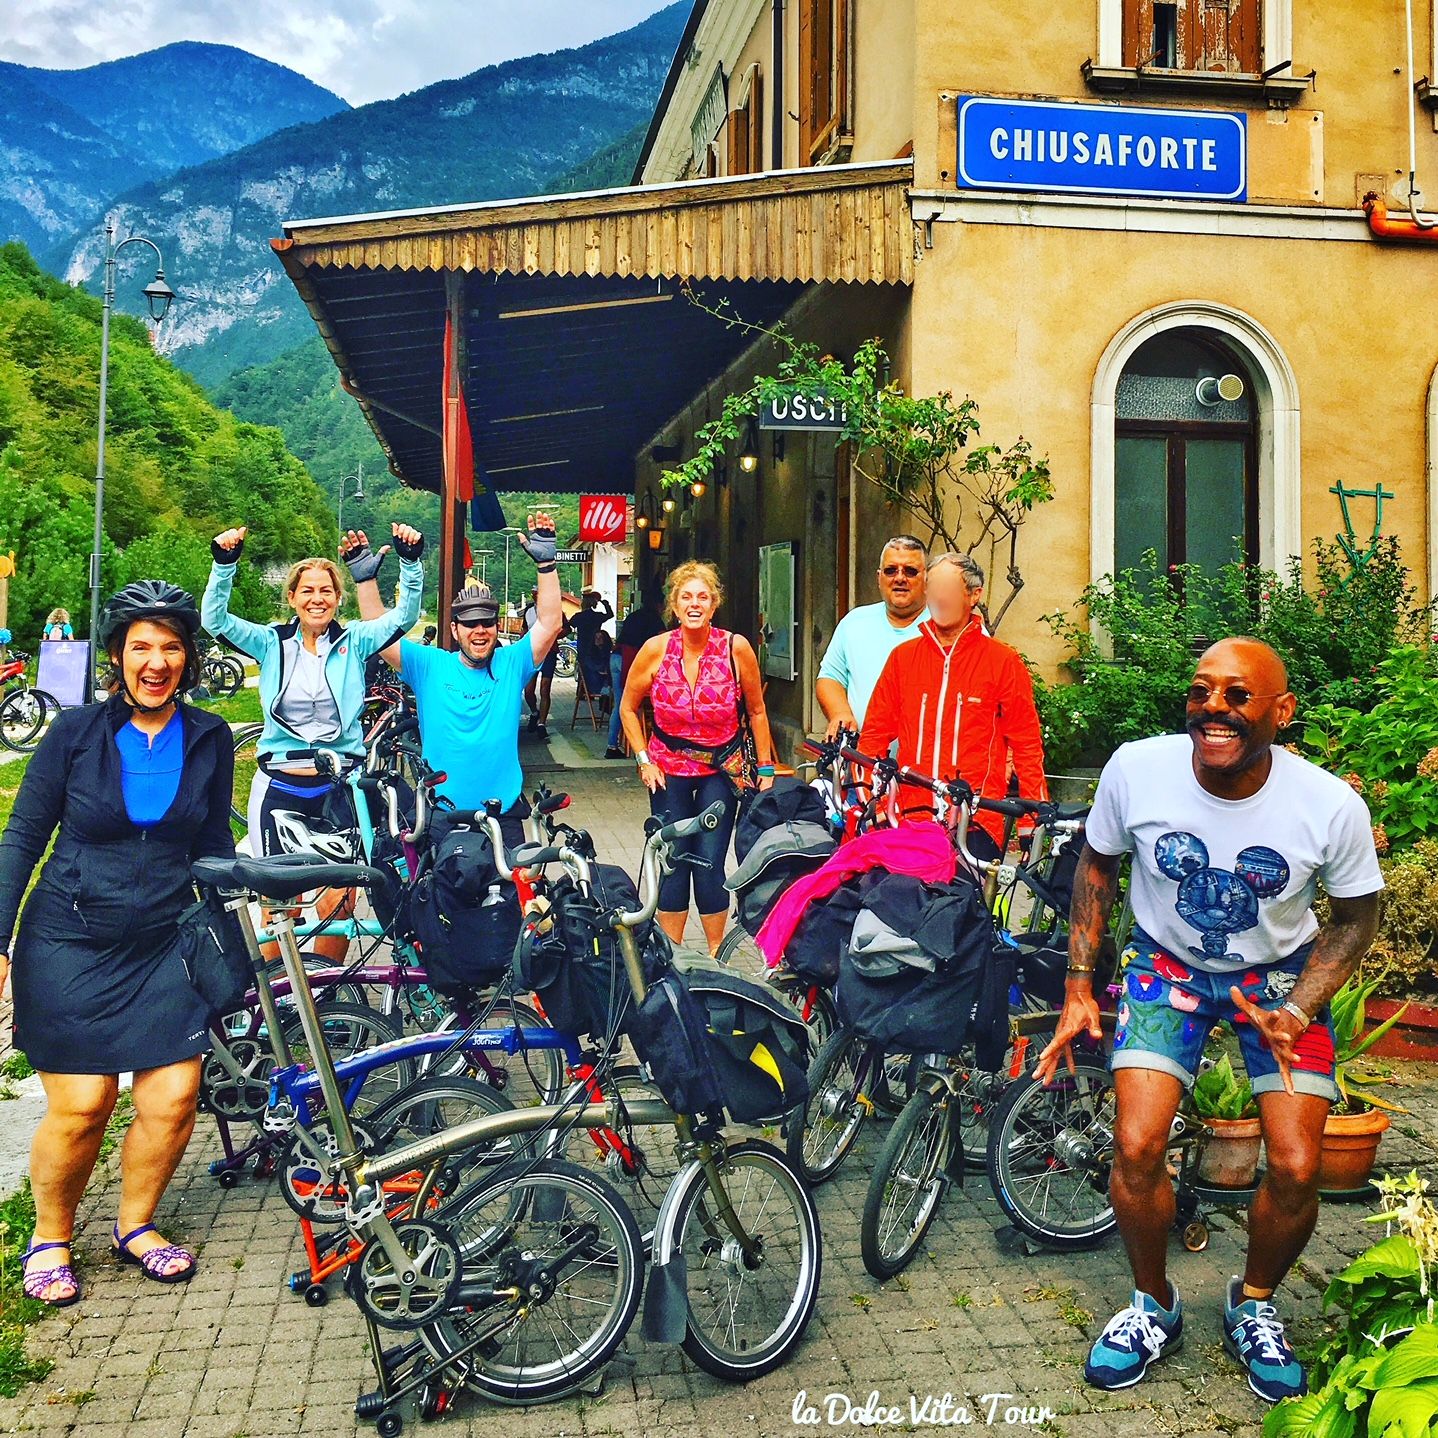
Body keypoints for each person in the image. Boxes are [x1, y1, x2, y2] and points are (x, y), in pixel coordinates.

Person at [1035, 637, 1383, 1403]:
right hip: (1166, 968)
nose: (1212, 709)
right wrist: (1080, 983)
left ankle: (1252, 1303)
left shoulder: (1329, 805)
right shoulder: (1137, 768)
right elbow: (1098, 863)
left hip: (1280, 980)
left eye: (1236, 695)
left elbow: (1358, 917)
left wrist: (1299, 1007)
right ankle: (1152, 1305)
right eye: (1201, 693)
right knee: (1135, 1143)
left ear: (1282, 712)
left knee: (1296, 1163)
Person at [0, 581, 235, 1304]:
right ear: (117, 656)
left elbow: (214, 842)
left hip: (163, 939)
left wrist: (237, 925)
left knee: (174, 1095)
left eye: (170, 646)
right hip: (68, 938)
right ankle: (51, 1236)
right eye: (141, 646)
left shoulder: (210, 738)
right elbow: (22, 836)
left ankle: (134, 1226)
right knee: (85, 1102)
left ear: (189, 658)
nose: (156, 661)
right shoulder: (74, 735)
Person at [203, 523, 423, 960]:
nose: (317, 598)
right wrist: (223, 565)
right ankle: (281, 1002)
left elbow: (405, 617)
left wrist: (410, 564)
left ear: (338, 599)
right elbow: (215, 620)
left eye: (326, 590)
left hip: (339, 789)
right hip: (279, 784)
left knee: (340, 896)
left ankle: (324, 992)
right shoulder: (271, 642)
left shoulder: (355, 641)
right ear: (292, 598)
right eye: (307, 590)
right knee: (277, 905)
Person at [355, 513, 562, 848]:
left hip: (504, 815)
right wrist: (365, 582)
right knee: (441, 899)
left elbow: (551, 623)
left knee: (512, 900)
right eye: (469, 624)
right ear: (454, 630)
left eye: (487, 622)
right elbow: (381, 636)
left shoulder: (512, 663)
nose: (479, 631)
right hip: (442, 816)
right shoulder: (430, 666)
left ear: (496, 627)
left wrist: (547, 565)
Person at [619, 560, 776, 954]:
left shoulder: (734, 648)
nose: (694, 604)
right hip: (667, 767)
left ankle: (714, 956)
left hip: (720, 768)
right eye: (686, 597)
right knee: (673, 862)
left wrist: (767, 767)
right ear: (674, 604)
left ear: (714, 603)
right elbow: (627, 707)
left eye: (702, 597)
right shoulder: (655, 650)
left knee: (707, 864)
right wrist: (643, 759)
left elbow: (756, 711)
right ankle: (673, 956)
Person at [858, 552, 1047, 857]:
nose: (939, 597)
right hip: (909, 819)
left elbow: (1027, 746)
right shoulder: (902, 658)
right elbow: (873, 738)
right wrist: (873, 802)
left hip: (975, 824)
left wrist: (1031, 823)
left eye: (949, 589)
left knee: (963, 903)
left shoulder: (1003, 662)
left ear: (974, 595)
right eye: (934, 588)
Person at [816, 535, 930, 737]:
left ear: (927, 579)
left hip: (929, 763)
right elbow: (829, 679)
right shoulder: (854, 623)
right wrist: (840, 714)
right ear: (879, 578)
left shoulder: (948, 626)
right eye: (891, 570)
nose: (900, 578)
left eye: (910, 571)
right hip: (862, 760)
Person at [606, 587, 667, 759]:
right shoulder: (655, 619)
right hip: (630, 659)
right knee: (631, 704)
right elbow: (664, 641)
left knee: (620, 703)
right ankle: (639, 745)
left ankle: (612, 745)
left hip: (616, 656)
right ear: (658, 604)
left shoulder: (633, 615)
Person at [522, 585, 568, 739]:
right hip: (531, 652)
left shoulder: (554, 611)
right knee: (528, 690)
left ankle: (542, 723)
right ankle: (535, 712)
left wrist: (554, 636)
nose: (536, 597)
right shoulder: (528, 611)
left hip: (549, 652)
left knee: (545, 687)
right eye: (534, 594)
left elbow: (567, 628)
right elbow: (524, 630)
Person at [570, 589, 613, 698]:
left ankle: (581, 692)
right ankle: (594, 689)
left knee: (582, 669)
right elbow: (610, 614)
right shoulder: (597, 616)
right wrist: (606, 604)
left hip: (582, 645)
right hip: (595, 645)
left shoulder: (578, 617)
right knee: (595, 667)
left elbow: (569, 625)